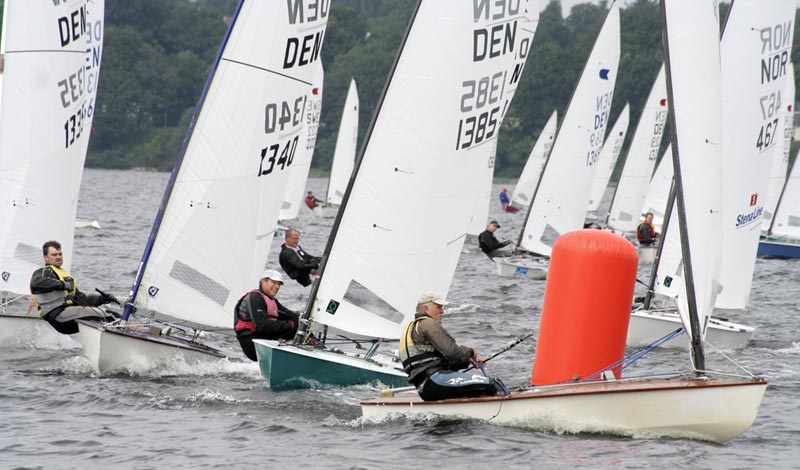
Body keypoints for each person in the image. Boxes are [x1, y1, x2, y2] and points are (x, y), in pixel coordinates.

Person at [399, 292, 504, 401]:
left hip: (425, 387)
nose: (442, 311)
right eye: (438, 307)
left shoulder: (411, 329)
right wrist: (471, 352)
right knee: (494, 384)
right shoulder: (427, 323)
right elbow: (452, 352)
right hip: (435, 380)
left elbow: (445, 360)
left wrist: (468, 360)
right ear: (426, 309)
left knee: (480, 390)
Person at [29, 240, 117, 335]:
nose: (58, 257)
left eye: (60, 254)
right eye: (54, 255)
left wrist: (102, 299)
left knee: (113, 315)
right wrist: (62, 285)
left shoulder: (65, 275)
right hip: (58, 316)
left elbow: (82, 300)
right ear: (46, 258)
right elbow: (35, 283)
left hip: (69, 316)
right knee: (109, 316)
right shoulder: (43, 272)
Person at [233, 269, 300, 361]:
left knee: (301, 328)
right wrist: (291, 324)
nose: (277, 286)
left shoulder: (272, 301)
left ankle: (314, 352)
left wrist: (303, 318)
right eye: (274, 282)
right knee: (295, 327)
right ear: (263, 281)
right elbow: (262, 326)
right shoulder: (255, 298)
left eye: (279, 284)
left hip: (264, 339)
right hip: (252, 343)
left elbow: (290, 315)